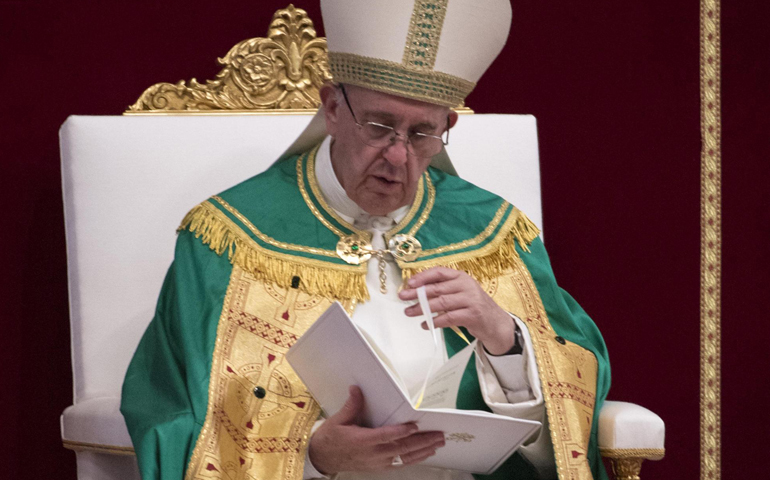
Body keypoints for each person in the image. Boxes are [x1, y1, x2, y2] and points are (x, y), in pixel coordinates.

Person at [121, 1, 610, 479]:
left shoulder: (492, 232)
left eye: (422, 134)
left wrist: (505, 340)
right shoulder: (229, 237)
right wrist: (314, 456)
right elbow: (177, 411)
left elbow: (572, 400)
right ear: (332, 107)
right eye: (379, 126)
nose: (398, 156)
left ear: (448, 127)